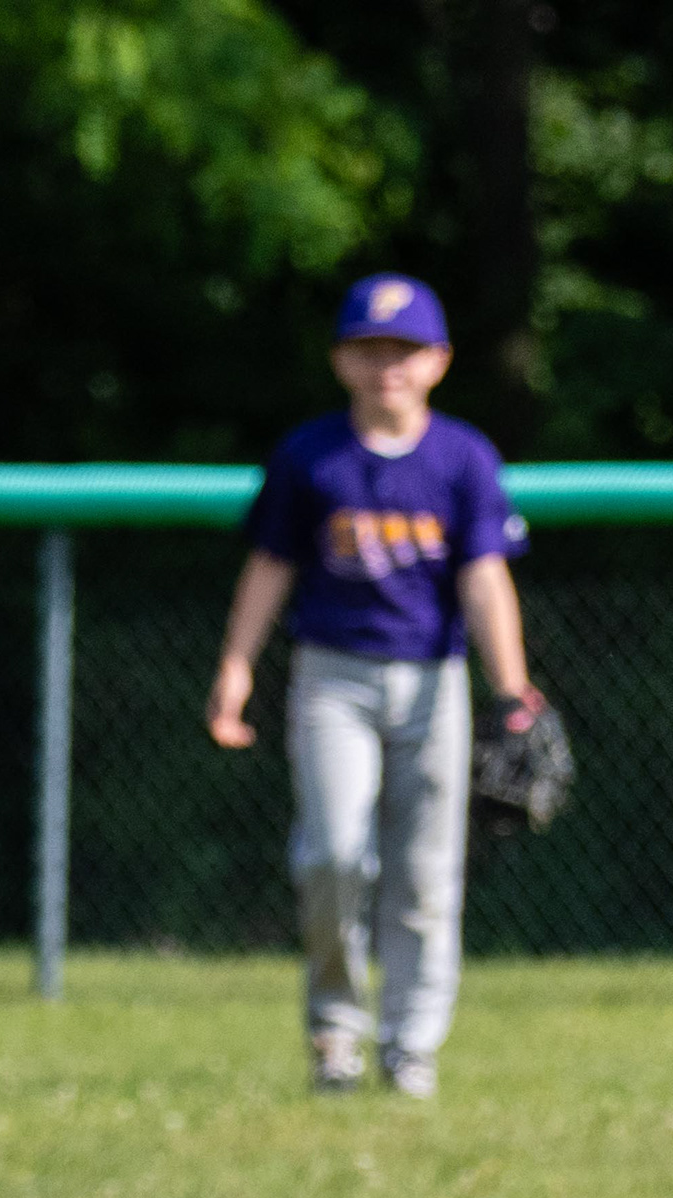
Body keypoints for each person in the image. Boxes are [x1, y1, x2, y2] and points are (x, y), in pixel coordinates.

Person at [206, 273, 545, 1099]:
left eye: (404, 349)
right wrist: (237, 666)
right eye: (369, 348)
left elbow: (485, 578)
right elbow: (271, 563)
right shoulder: (311, 455)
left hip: (434, 679)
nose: (387, 365)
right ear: (340, 360)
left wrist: (512, 690)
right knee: (334, 854)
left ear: (438, 361)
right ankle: (335, 1033)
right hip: (333, 677)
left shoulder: (461, 457)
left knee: (426, 875)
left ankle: (410, 1044)